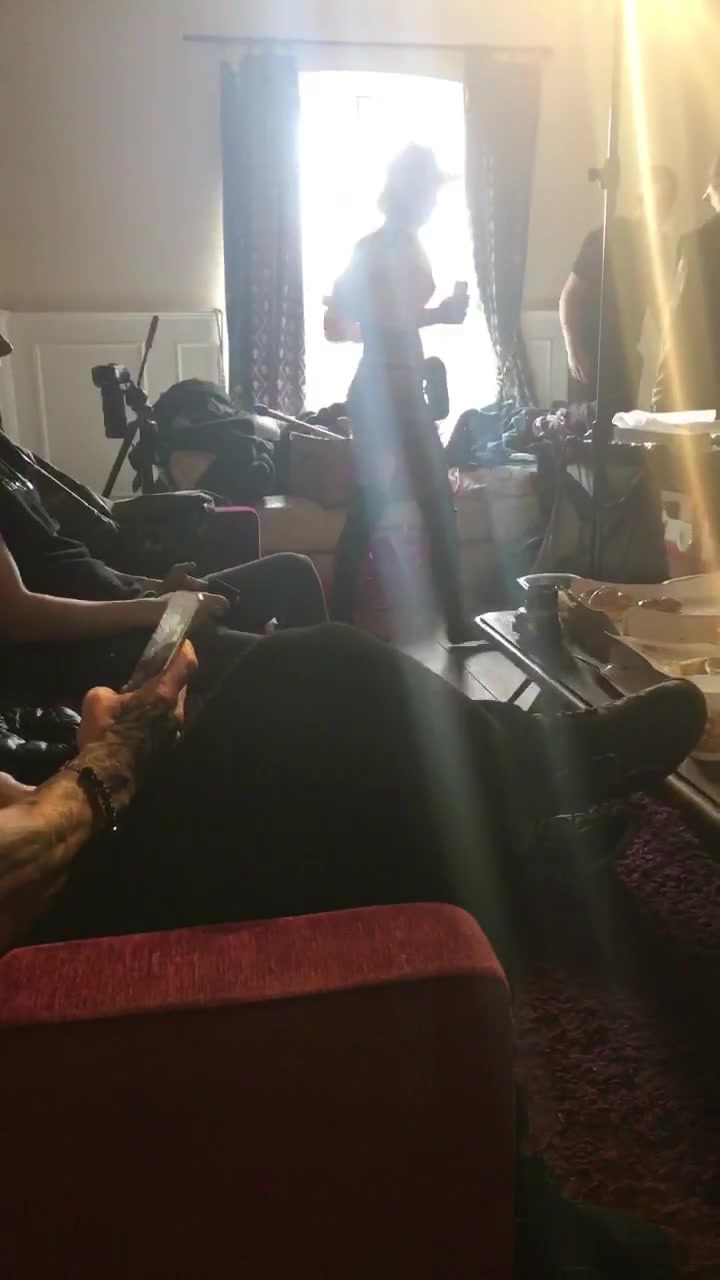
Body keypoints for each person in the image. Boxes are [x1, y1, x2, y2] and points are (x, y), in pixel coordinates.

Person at [0, 625, 701, 1278]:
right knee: (307, 678)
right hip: (40, 951)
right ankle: (536, 778)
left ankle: (526, 806)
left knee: (288, 685)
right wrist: (116, 754)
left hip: (55, 864)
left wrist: (46, 781)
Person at [0, 464, 327, 704]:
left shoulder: (8, 459)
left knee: (292, 572)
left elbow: (69, 562)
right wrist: (155, 610)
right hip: (86, 644)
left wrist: (155, 587)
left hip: (127, 608)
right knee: (305, 662)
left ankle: (316, 732)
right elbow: (16, 616)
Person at [324, 145, 474, 644]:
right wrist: (435, 315)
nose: (433, 202)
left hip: (402, 393)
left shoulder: (406, 245)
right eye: (430, 191)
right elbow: (338, 323)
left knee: (435, 510)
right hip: (382, 399)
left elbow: (381, 318)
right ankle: (340, 625)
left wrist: (431, 316)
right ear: (413, 192)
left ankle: (456, 623)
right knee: (375, 510)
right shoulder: (376, 248)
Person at [560, 165, 679, 413]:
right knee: (582, 428)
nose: (659, 210)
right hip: (589, 353)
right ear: (641, 199)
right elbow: (570, 295)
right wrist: (573, 348)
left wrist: (671, 354)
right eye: (656, 201)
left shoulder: (661, 250)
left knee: (622, 428)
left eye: (665, 203)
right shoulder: (607, 235)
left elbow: (660, 309)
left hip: (626, 360)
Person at [652, 153, 720, 413]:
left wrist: (662, 395)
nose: (706, 197)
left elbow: (680, 324)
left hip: (707, 390)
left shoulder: (698, 245)